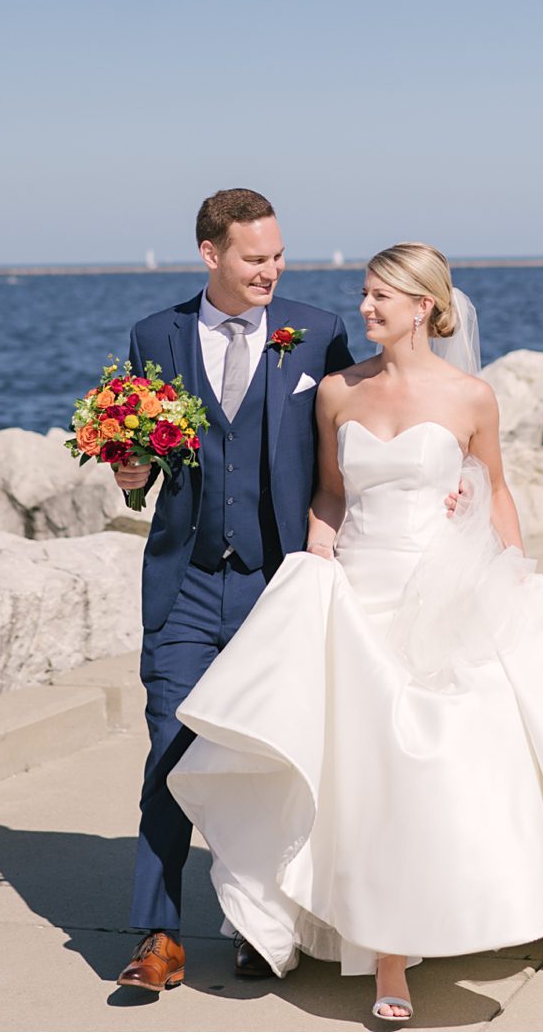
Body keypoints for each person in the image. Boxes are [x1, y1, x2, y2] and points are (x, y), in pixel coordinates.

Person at [167, 243, 543, 1023]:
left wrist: (513, 572)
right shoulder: (337, 395)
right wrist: (319, 551)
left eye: (382, 295)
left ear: (425, 306)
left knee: (432, 767)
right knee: (366, 772)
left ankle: (415, 940)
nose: (366, 308)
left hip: (442, 593)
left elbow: (496, 492)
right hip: (357, 592)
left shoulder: (471, 398)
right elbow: (330, 493)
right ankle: (381, 953)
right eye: (364, 293)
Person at [109, 189, 353, 994]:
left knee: (265, 759)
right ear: (210, 253)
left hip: (276, 586)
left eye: (279, 255)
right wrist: (131, 473)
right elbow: (136, 464)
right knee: (169, 751)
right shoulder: (155, 336)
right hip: (183, 583)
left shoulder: (317, 332)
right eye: (256, 258)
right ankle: (161, 936)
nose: (272, 271)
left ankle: (259, 922)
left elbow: (358, 436)